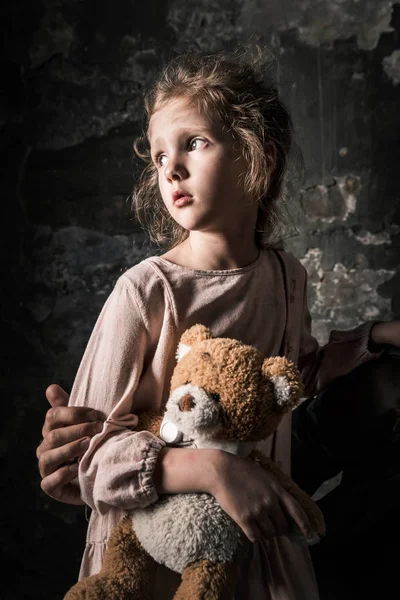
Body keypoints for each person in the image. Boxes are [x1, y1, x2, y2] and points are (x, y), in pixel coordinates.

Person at [36, 50, 400, 599]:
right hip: (154, 550)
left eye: (194, 143)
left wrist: (379, 337)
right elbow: (91, 461)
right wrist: (210, 470)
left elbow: (288, 376)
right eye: (159, 155)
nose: (171, 168)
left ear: (258, 155)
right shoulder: (147, 290)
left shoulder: (285, 276)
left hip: (251, 541)